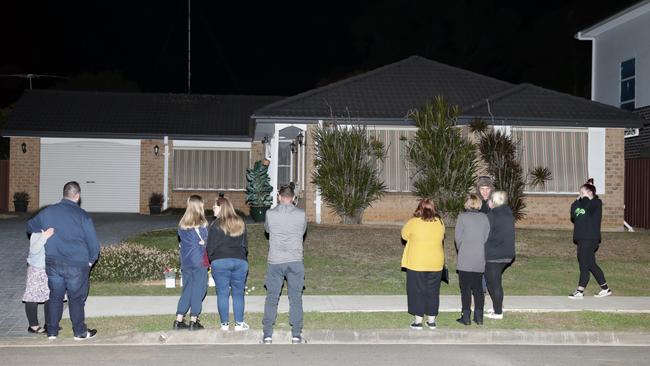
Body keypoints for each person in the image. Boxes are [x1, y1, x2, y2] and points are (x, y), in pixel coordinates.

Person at [26, 181, 100, 340]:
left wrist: (44, 232)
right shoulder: (83, 216)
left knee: (55, 297)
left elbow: (30, 226)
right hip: (76, 265)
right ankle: (79, 332)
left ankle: (52, 332)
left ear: (64, 194)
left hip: (53, 264)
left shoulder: (48, 212)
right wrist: (90, 261)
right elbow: (93, 244)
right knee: (76, 298)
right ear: (78, 196)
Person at [262, 183, 307, 344]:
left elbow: (267, 230)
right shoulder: (301, 214)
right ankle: (296, 335)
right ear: (293, 198)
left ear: (279, 197)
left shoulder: (270, 213)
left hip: (275, 260)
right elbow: (302, 231)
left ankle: (267, 335)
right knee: (295, 298)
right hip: (295, 260)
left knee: (272, 297)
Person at [401, 198, 445, 330]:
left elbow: (404, 235)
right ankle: (431, 321)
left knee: (417, 291)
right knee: (433, 291)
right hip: (436, 263)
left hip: (417, 263)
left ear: (419, 208)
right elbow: (442, 236)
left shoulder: (413, 222)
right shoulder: (440, 222)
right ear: (433, 208)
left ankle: (418, 321)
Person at [207, 196, 250, 332]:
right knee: (238, 293)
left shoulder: (215, 225)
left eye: (215, 206)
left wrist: (213, 259)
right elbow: (245, 245)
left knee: (222, 293)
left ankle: (224, 325)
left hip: (220, 261)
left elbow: (210, 247)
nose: (213, 208)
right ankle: (239, 324)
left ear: (222, 207)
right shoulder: (240, 222)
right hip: (240, 261)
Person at [569, 179, 612, 299]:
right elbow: (573, 213)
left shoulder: (596, 203)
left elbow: (588, 204)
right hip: (582, 238)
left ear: (589, 193)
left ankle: (579, 291)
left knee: (583, 264)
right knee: (591, 264)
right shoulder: (579, 204)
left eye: (581, 192)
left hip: (590, 238)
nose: (580, 195)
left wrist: (587, 194)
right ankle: (605, 289)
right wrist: (582, 195)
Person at [173, 195, 209, 331]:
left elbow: (183, 243)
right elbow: (205, 242)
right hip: (199, 261)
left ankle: (179, 319)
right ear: (200, 206)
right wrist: (203, 243)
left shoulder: (181, 225)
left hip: (186, 261)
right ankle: (194, 320)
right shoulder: (202, 224)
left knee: (187, 289)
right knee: (199, 289)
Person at [454, 194, 490, 326]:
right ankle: (479, 317)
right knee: (478, 289)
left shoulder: (462, 217)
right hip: (479, 257)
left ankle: (466, 317)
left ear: (467, 203)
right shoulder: (485, 218)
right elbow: (486, 237)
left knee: (465, 289)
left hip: (465, 257)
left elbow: (458, 239)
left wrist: (462, 248)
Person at [483, 191, 515, 320]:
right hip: (507, 254)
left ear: (493, 201)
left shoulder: (492, 215)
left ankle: (498, 312)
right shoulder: (508, 213)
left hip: (494, 255)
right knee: (495, 282)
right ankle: (497, 307)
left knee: (493, 284)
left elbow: (486, 235)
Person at [23, 226, 55, 334]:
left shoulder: (54, 231)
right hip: (36, 269)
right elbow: (34, 250)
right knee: (32, 297)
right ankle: (33, 326)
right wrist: (44, 236)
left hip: (50, 269)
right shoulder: (36, 233)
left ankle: (49, 324)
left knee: (50, 296)